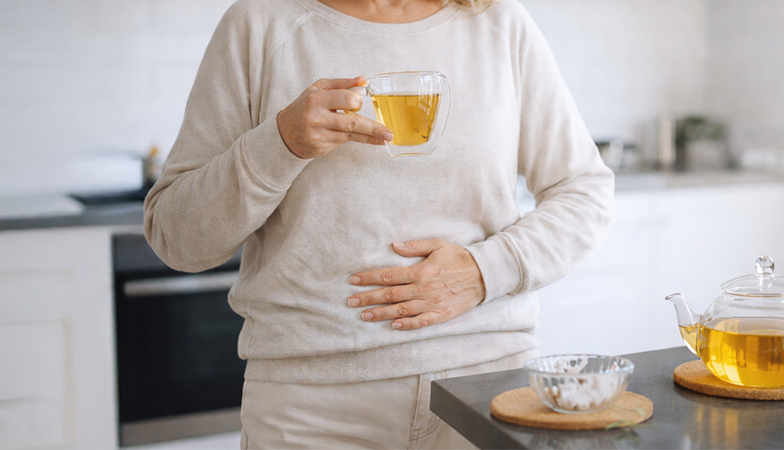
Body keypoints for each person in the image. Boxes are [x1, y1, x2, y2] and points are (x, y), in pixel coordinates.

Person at [142, 0, 615, 447]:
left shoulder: (500, 23)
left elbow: (585, 193)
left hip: (486, 388)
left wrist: (485, 269)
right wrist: (280, 142)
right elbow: (176, 239)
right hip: (310, 406)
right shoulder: (259, 23)